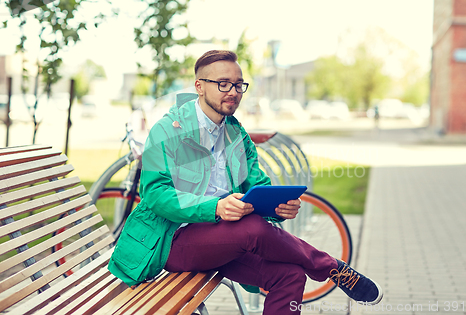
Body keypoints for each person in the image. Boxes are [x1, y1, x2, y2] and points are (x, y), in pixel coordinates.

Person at [108, 50, 383, 314]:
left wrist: (280, 206)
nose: (233, 92)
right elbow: (156, 195)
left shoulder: (236, 133)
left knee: (291, 275)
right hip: (172, 239)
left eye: (239, 85)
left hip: (226, 238)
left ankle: (321, 267)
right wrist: (215, 208)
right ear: (199, 86)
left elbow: (258, 186)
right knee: (251, 227)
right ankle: (330, 267)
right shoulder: (168, 130)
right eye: (223, 84)